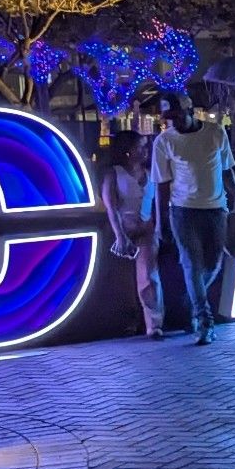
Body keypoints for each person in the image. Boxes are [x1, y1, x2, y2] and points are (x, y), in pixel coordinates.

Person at [150, 90, 235, 345]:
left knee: (212, 264)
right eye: (168, 118)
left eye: (177, 116)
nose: (173, 122)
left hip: (215, 208)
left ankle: (192, 300)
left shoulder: (215, 133)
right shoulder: (164, 141)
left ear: (189, 110)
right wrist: (161, 221)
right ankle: (204, 321)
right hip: (183, 210)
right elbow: (161, 184)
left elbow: (226, 170)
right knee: (192, 263)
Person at [101, 130, 163, 339]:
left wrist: (157, 228)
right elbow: (111, 206)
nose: (145, 151)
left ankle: (154, 325)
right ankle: (128, 321)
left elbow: (157, 204)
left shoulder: (150, 173)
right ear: (127, 151)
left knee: (149, 277)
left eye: (146, 146)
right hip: (123, 231)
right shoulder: (114, 173)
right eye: (140, 147)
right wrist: (120, 235)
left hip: (146, 230)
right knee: (124, 283)